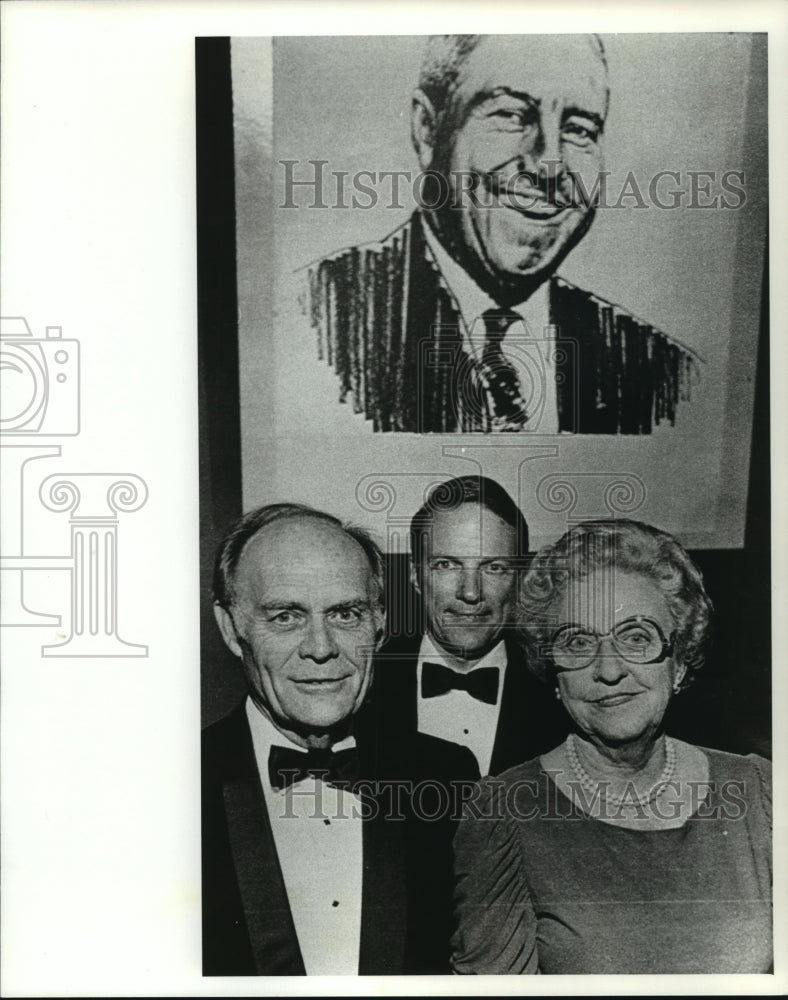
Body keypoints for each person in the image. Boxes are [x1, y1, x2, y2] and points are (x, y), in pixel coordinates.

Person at [303, 34, 697, 434]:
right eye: (511, 116)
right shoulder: (317, 321)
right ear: (427, 129)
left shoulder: (659, 372)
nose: (549, 164)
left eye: (578, 129)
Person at [451, 519, 772, 974]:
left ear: (678, 662)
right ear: (554, 676)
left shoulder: (761, 792)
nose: (608, 670)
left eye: (636, 637)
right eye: (577, 642)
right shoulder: (505, 814)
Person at [202, 502, 478, 976]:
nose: (321, 647)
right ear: (232, 628)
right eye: (286, 616)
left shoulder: (448, 777)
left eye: (345, 614)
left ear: (380, 621)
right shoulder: (168, 786)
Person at [369, 476, 565, 777]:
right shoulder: (362, 685)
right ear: (415, 576)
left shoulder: (561, 695)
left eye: (494, 567)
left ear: (519, 579)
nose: (471, 592)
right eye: (447, 565)